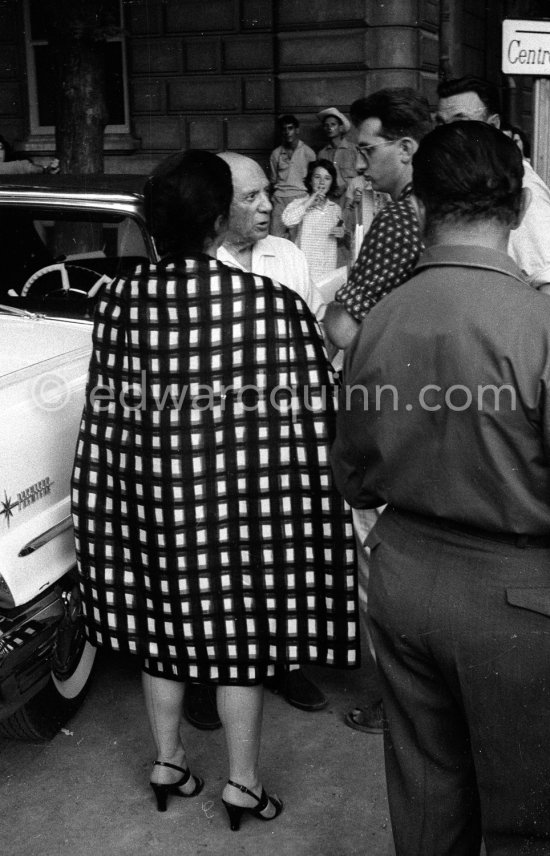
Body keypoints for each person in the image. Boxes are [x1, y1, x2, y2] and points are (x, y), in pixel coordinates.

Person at [72, 149, 359, 828]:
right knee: (241, 643)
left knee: (160, 633)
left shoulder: (115, 302)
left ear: (153, 228)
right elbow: (312, 411)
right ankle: (242, 785)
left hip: (153, 504)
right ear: (213, 225)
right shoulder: (269, 303)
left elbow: (108, 409)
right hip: (241, 508)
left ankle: (168, 762)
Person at [332, 120, 550, 854]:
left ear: (421, 206)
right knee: (526, 812)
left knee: (427, 797)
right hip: (520, 595)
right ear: (518, 209)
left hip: (404, 578)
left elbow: (353, 474)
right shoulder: (539, 324)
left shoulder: (377, 320)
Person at [324, 88, 432, 351]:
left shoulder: (399, 217)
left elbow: (344, 331)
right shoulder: (443, 207)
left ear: (406, 149)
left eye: (368, 151)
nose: (360, 165)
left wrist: (334, 305)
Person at [436, 75, 550, 288]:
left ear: (493, 125)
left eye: (461, 122)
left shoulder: (520, 185)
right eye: (441, 124)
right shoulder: (468, 180)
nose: (448, 135)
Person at [281, 159, 344, 283]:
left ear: (332, 182)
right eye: (317, 177)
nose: (322, 182)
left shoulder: (335, 209)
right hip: (304, 268)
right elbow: (287, 221)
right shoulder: (299, 204)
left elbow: (340, 240)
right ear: (310, 180)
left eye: (327, 178)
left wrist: (342, 234)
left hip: (327, 268)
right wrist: (309, 203)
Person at [269, 114, 316, 239]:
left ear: (297, 130)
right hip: (279, 199)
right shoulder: (276, 154)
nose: (287, 132)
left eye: (290, 128)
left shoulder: (308, 153)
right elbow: (273, 180)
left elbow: (313, 180)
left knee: (298, 238)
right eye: (284, 129)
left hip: (300, 198)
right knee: (275, 238)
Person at [317, 107, 357, 198]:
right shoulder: (322, 154)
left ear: (341, 128)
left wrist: (345, 186)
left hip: (351, 198)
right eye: (326, 125)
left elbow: (363, 177)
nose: (329, 128)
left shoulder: (354, 150)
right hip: (330, 199)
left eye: (333, 124)